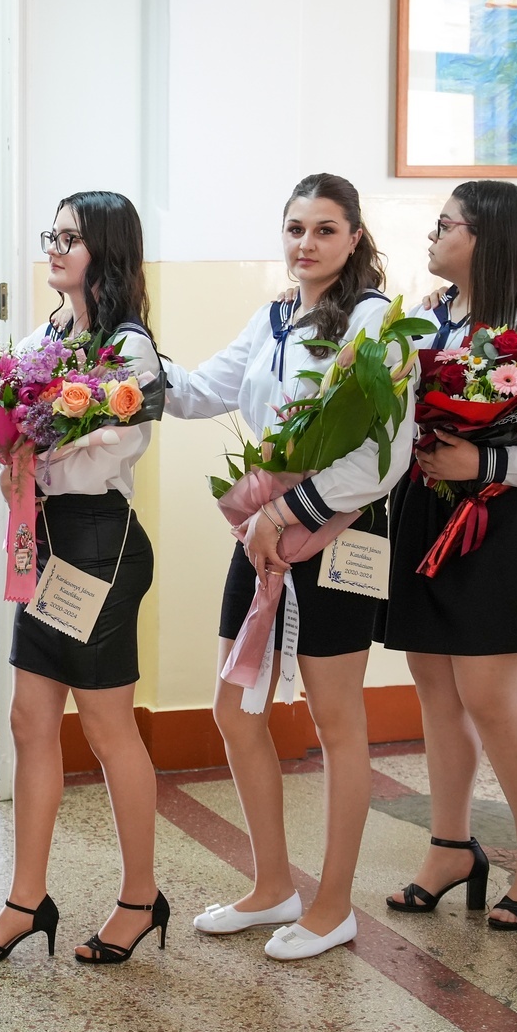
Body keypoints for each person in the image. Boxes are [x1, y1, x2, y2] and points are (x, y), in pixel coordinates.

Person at [0, 191, 166, 966]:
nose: (53, 246)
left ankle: (140, 899)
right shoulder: (46, 338)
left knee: (109, 729)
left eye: (69, 237)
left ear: (106, 250)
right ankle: (27, 899)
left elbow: (114, 442)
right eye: (52, 233)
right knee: (29, 721)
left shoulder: (129, 349)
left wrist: (35, 446)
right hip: (46, 543)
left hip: (99, 546)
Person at [162, 175, 412, 961]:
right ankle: (273, 886)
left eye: (325, 229)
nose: (307, 243)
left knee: (337, 722)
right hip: (264, 539)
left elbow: (385, 456)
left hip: (337, 535)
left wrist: (291, 509)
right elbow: (200, 391)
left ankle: (333, 907)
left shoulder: (377, 325)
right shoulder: (273, 318)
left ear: (355, 237)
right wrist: (123, 363)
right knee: (235, 709)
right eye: (295, 227)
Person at [382, 181, 517, 932]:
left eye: (445, 224)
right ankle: (450, 847)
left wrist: (489, 464)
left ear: (485, 236)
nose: (433, 235)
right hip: (429, 510)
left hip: (507, 519)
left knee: (490, 693)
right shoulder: (430, 318)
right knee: (435, 688)